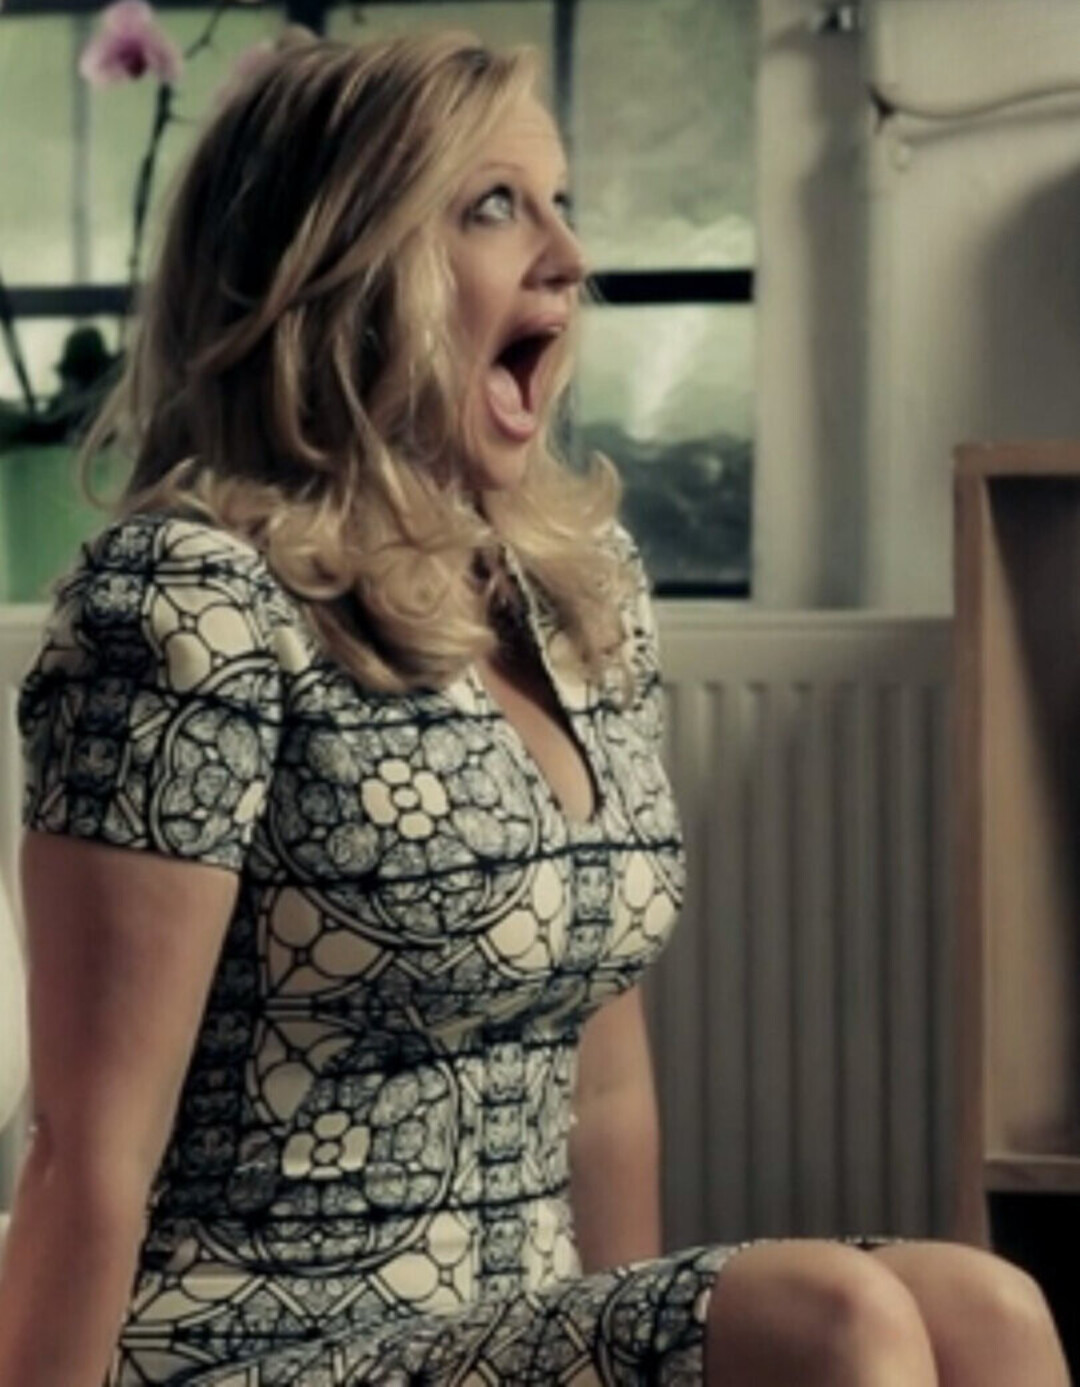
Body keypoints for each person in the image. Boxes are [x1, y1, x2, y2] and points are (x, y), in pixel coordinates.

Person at [0, 31, 1070, 1387]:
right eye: (495, 205)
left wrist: (648, 1343)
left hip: (510, 1326)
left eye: (562, 202)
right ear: (337, 268)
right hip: (251, 1345)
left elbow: (606, 1091)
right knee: (834, 1319)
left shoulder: (579, 589)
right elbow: (88, 1145)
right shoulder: (183, 603)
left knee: (988, 1307)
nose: (568, 255)